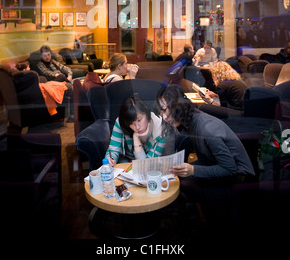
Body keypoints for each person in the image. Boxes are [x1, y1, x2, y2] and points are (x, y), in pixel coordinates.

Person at [155, 85, 255, 226]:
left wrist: (192, 170)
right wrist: (178, 169)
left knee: (183, 186)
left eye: (166, 110)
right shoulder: (190, 121)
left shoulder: (206, 128)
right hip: (223, 171)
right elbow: (204, 159)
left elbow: (230, 169)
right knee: (176, 181)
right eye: (161, 112)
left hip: (239, 179)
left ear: (178, 105)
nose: (164, 117)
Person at [105, 94, 168, 166]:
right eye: (131, 123)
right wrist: (110, 159)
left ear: (147, 114)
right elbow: (113, 149)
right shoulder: (120, 122)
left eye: (139, 120)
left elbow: (146, 166)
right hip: (125, 162)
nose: (137, 127)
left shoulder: (161, 130)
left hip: (148, 166)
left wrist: (136, 138)